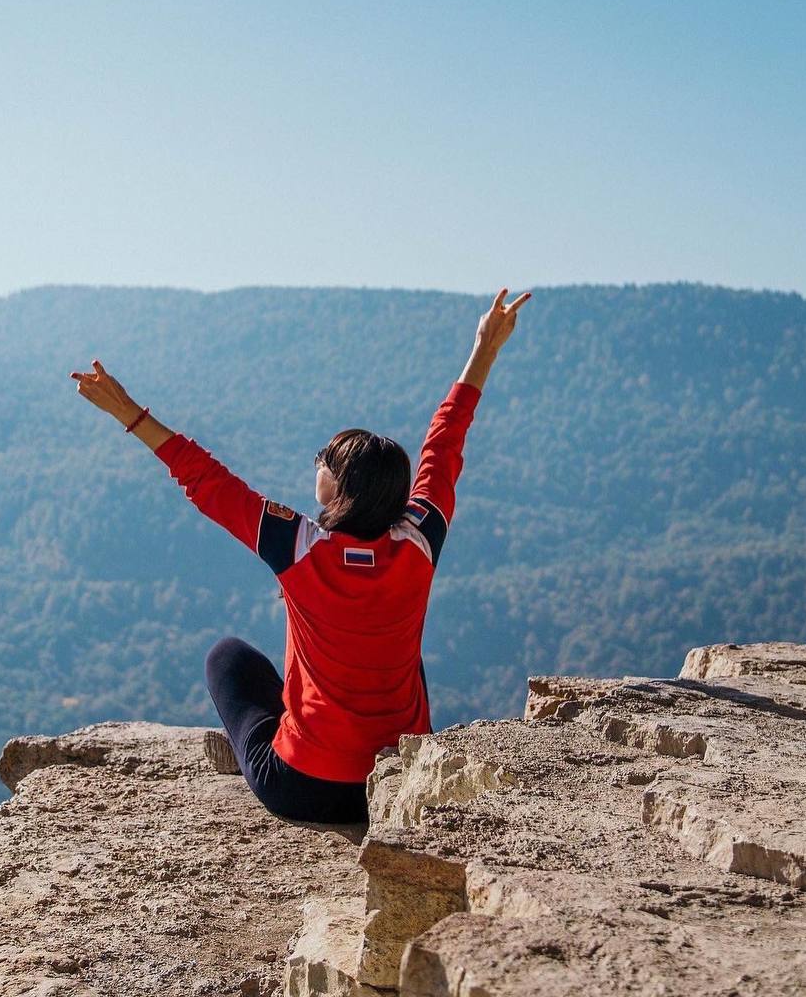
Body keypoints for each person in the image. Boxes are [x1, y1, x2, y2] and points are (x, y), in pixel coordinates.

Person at [70, 286, 531, 825]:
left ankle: (249, 750)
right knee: (403, 654)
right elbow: (444, 446)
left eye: (325, 460)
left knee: (229, 658)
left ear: (338, 488)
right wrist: (484, 350)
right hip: (395, 779)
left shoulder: (298, 547)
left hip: (303, 787)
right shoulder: (420, 541)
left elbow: (206, 480)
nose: (317, 463)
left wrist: (128, 412)